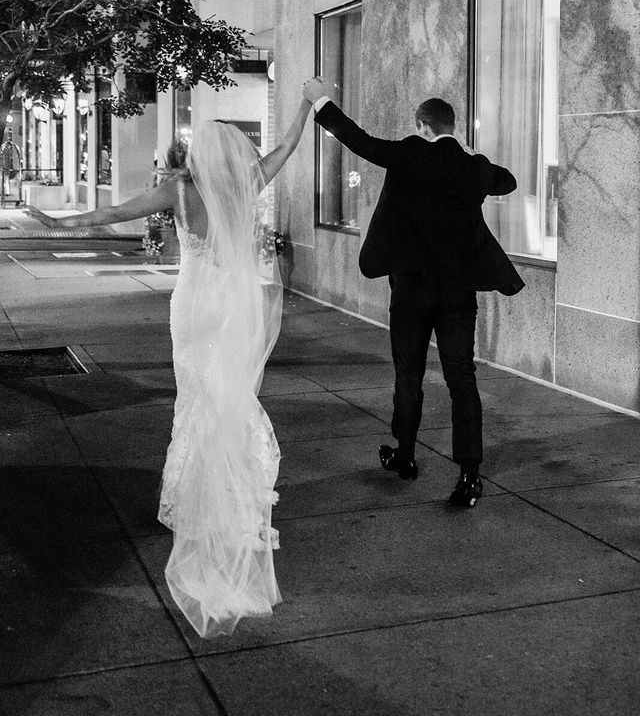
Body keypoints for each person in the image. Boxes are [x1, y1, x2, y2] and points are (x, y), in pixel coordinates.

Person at [43, 94, 313, 636]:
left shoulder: (180, 191)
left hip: (192, 304)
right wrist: (306, 104)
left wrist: (63, 222)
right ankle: (232, 498)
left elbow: (116, 212)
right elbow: (287, 145)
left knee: (195, 393)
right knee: (229, 393)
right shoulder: (247, 184)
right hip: (234, 303)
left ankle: (198, 500)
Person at [302, 79, 524, 508]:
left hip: (411, 290)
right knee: (462, 379)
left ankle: (404, 455)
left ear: (421, 126)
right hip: (458, 293)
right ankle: (469, 476)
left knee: (409, 375)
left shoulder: (408, 153)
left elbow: (358, 140)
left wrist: (319, 100)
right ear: (452, 127)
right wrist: (474, 166)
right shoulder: (473, 167)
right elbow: (508, 182)